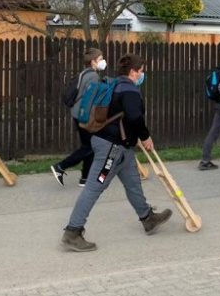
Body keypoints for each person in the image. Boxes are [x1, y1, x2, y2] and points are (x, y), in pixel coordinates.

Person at [61, 54, 173, 250]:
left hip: (122, 148)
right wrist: (145, 137)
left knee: (133, 183)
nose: (142, 74)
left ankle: (147, 218)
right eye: (141, 71)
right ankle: (73, 231)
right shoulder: (128, 89)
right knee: (94, 187)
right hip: (111, 149)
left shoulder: (116, 85)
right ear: (132, 72)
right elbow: (134, 118)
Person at [51, 48, 108, 187]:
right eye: (100, 59)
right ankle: (61, 166)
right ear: (93, 61)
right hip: (84, 115)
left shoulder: (85, 73)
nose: (103, 62)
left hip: (78, 113)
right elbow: (90, 99)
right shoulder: (93, 76)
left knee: (88, 145)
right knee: (90, 147)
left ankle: (85, 178)